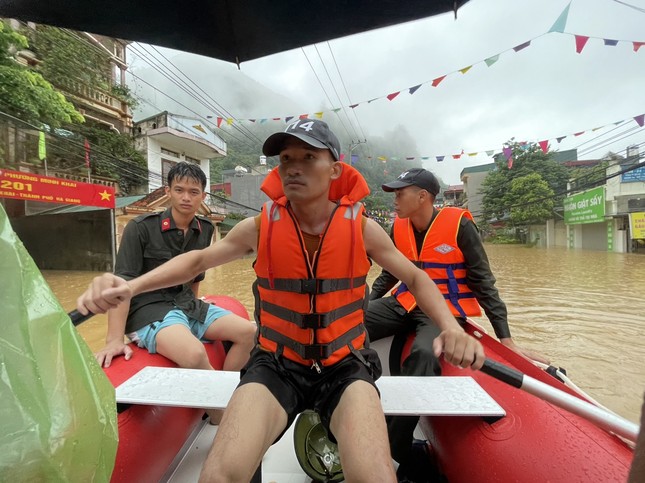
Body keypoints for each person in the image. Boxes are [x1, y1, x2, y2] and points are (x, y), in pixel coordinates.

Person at [77, 119, 485, 482]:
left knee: (374, 475)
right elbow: (197, 261)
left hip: (344, 365)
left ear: (335, 169)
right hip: (276, 363)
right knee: (218, 473)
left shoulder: (361, 228)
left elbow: (415, 276)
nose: (293, 165)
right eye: (286, 157)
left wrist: (450, 327)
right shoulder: (260, 227)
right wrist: (130, 287)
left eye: (309, 156)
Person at [365, 167, 550, 481]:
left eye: (400, 193)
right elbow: (390, 274)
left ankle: (392, 451)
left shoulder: (460, 225)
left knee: (423, 356)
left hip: (442, 313)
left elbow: (483, 282)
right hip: (404, 302)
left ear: (423, 196)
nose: (394, 200)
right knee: (345, 325)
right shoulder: (398, 227)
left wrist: (506, 340)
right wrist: (367, 307)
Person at [94, 162, 256, 422]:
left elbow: (196, 274)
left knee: (248, 332)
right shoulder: (140, 227)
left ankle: (223, 391)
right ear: (168, 191)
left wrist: (196, 305)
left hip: (186, 304)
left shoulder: (204, 229)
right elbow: (120, 285)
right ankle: (220, 417)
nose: (186, 197)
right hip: (149, 309)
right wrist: (113, 339)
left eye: (194, 192)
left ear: (203, 196)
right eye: (179, 190)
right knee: (194, 354)